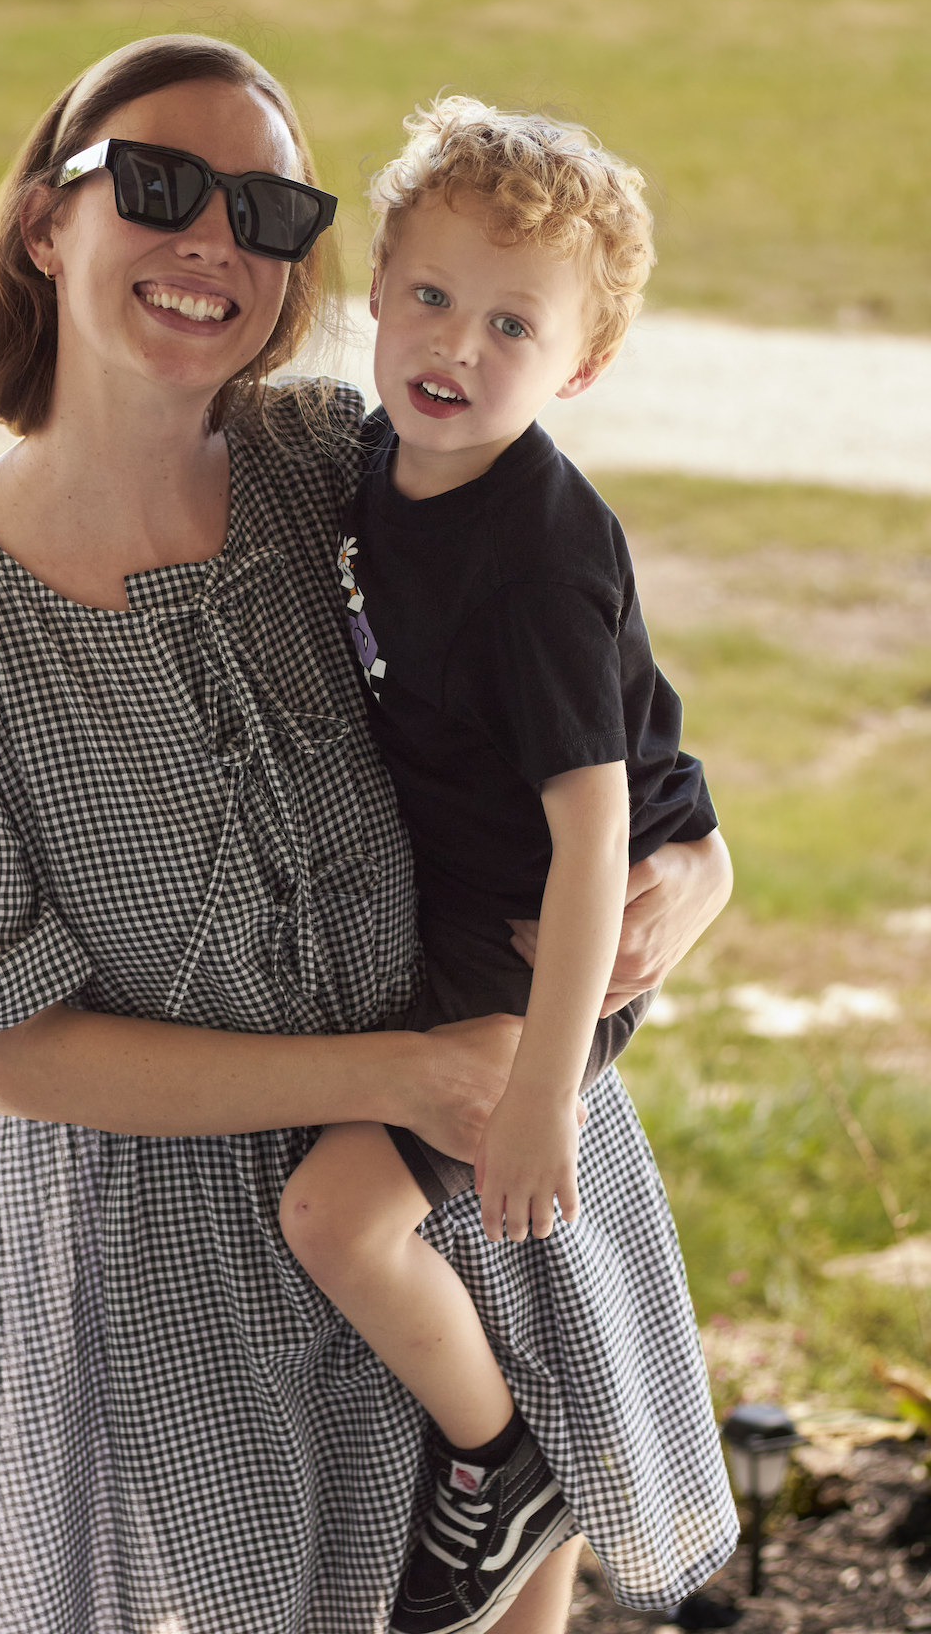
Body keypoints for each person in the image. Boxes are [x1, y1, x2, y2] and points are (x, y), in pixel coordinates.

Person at [0, 33, 737, 1634]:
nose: (212, 243)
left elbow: (582, 704)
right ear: (46, 222)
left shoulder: (341, 462)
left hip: (476, 1188)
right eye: (158, 187)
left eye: (267, 208)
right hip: (177, 1274)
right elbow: (15, 1052)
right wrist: (397, 1078)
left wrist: (702, 868)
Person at [278, 97, 722, 1634]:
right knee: (419, 1242)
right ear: (380, 285)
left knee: (338, 1219)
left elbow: (600, 830)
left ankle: (503, 1465)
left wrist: (543, 1086)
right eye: (429, 295)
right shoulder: (376, 465)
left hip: (550, 937)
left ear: (581, 368)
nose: (455, 345)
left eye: (514, 324)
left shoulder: (536, 549)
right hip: (472, 906)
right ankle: (508, 1492)